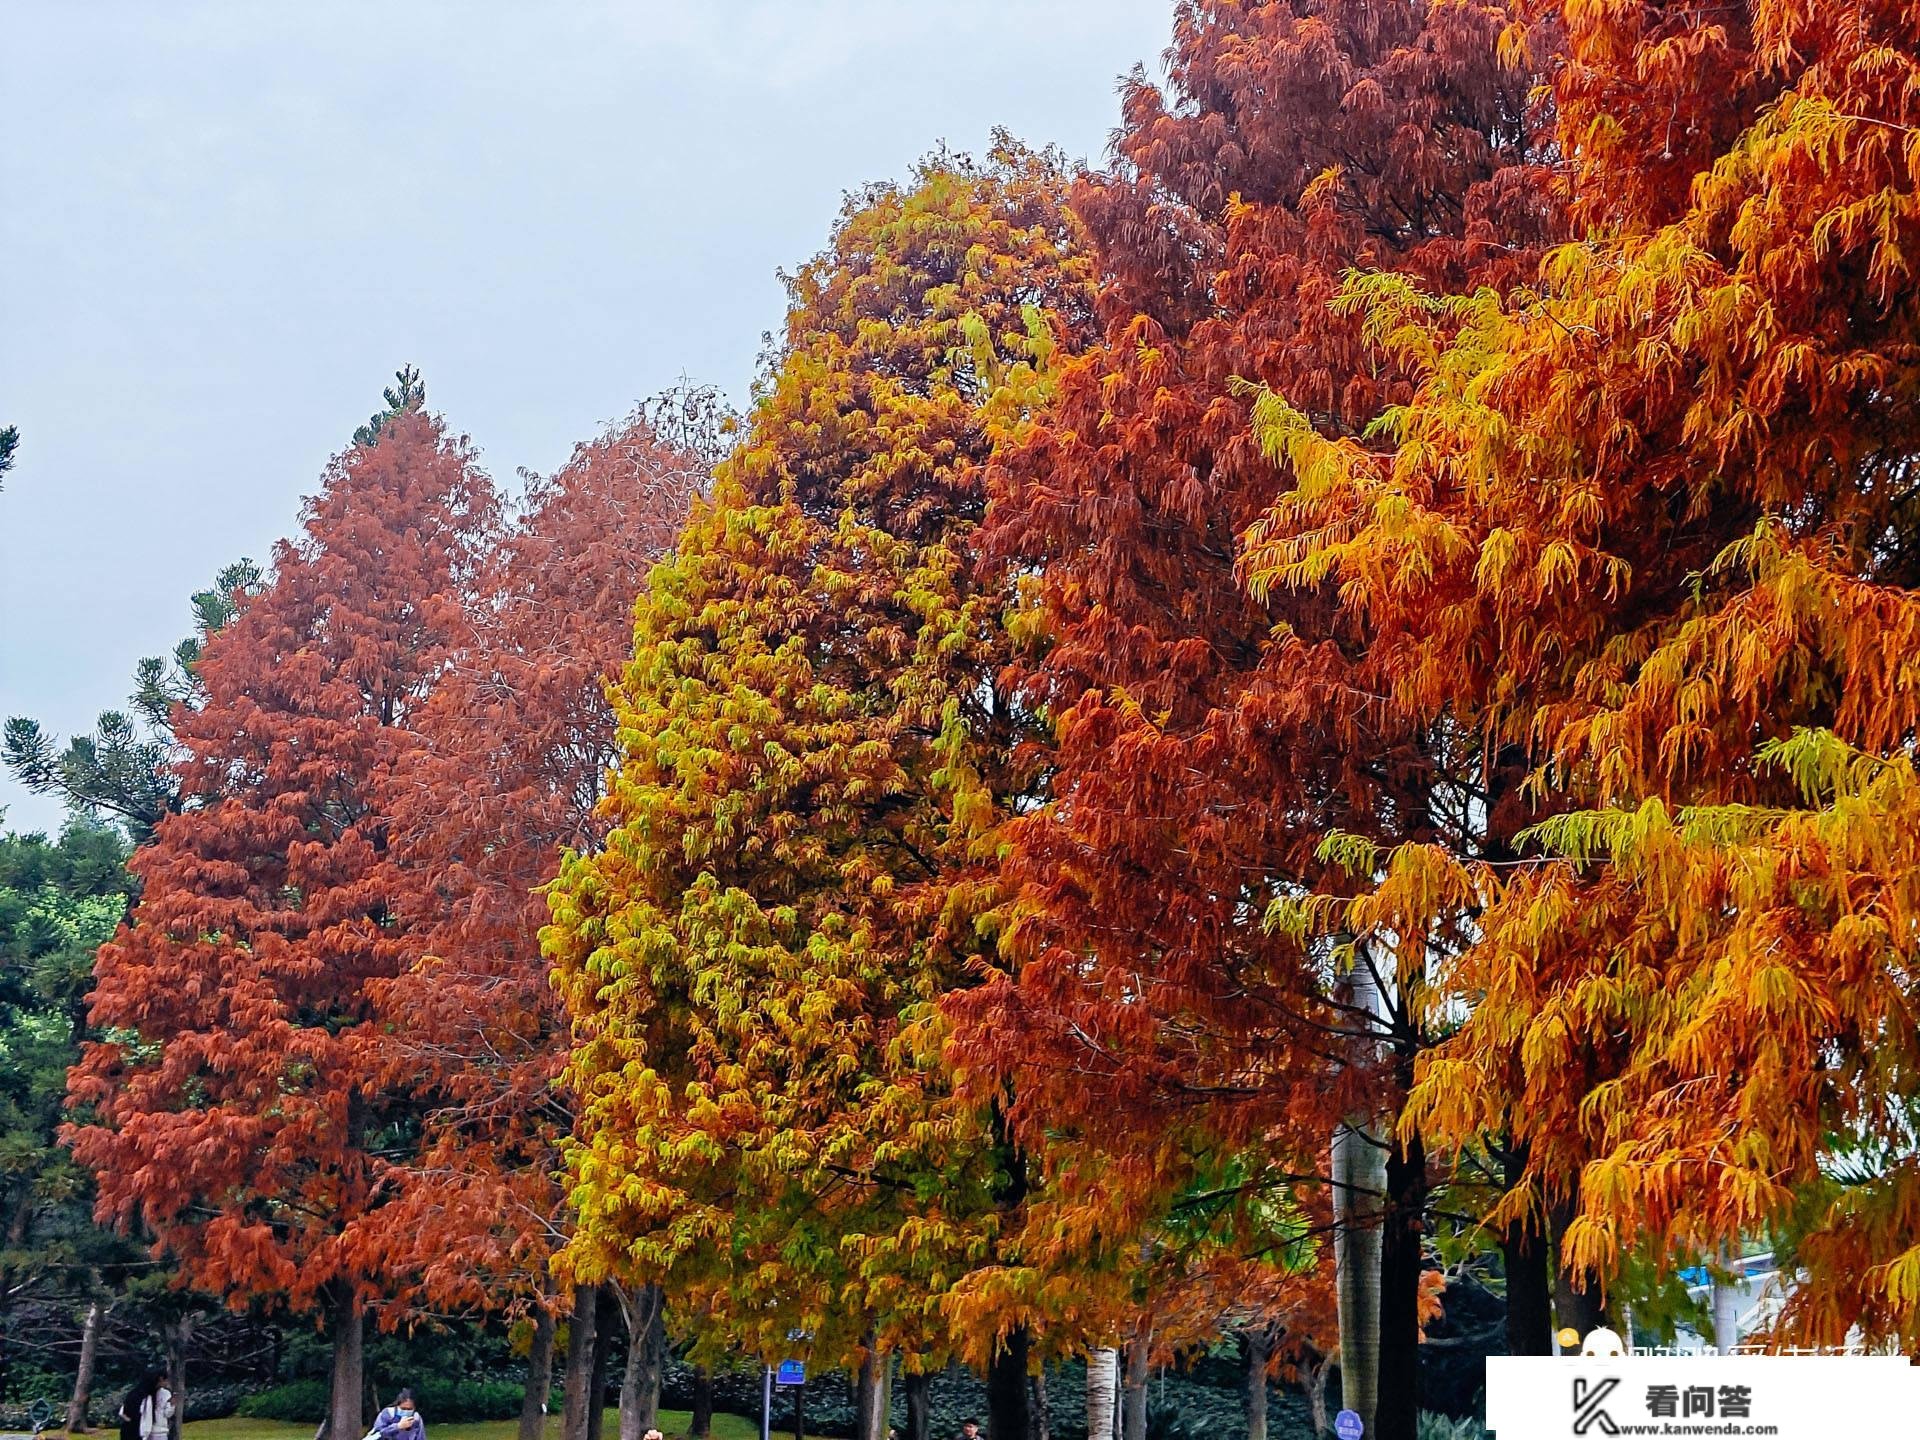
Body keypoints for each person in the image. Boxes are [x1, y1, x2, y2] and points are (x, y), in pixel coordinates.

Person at [118, 1370, 172, 1440]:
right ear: (160, 1379)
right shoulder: (140, 1395)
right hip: (134, 1432)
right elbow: (124, 1412)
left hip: (143, 1431)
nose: (167, 1383)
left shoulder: (156, 1393)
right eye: (166, 1380)